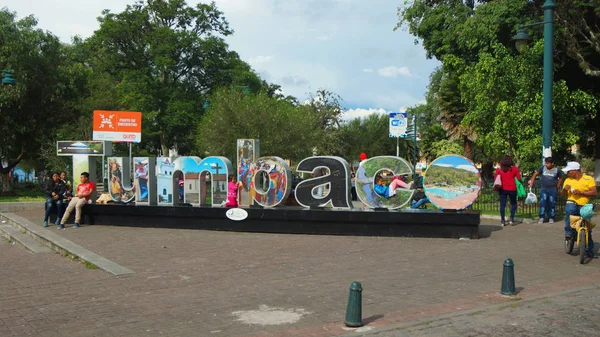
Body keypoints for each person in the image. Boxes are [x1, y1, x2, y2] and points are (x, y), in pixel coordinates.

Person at [562, 161, 597, 258]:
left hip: (584, 204)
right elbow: (563, 194)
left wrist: (581, 192)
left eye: (569, 171)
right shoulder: (568, 180)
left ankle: (589, 249)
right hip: (572, 201)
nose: (567, 173)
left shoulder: (588, 179)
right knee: (570, 210)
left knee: (587, 229)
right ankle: (569, 232)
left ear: (575, 171)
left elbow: (594, 192)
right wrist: (565, 189)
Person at [529, 157, 563, 224]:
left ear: (552, 163)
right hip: (544, 188)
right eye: (546, 163)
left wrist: (558, 186)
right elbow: (535, 174)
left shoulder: (557, 170)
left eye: (548, 163)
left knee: (552, 203)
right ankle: (542, 217)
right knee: (543, 203)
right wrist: (531, 182)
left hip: (553, 189)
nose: (546, 164)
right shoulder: (542, 168)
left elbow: (561, 178)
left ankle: (551, 217)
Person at [494, 155, 522, 226]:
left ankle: (503, 221)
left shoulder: (499, 170)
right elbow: (519, 178)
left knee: (502, 205)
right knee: (513, 204)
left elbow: (495, 179)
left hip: (503, 189)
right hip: (512, 189)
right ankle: (511, 219)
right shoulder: (514, 169)